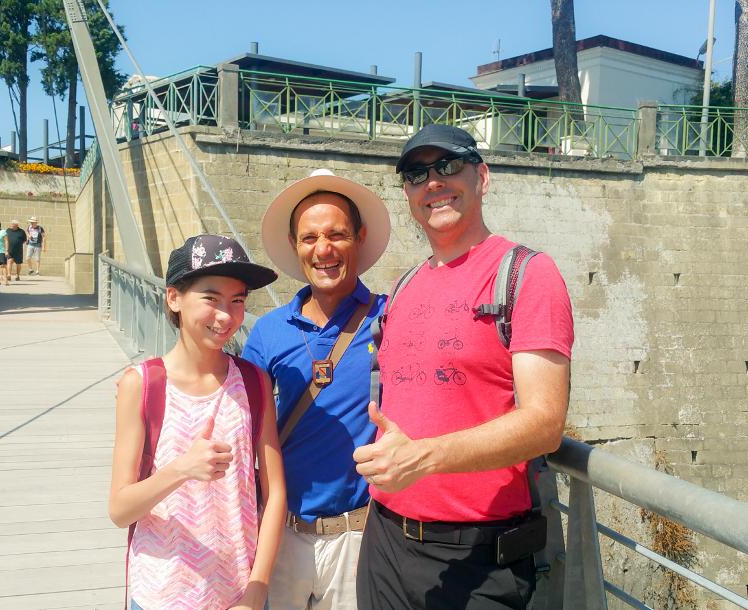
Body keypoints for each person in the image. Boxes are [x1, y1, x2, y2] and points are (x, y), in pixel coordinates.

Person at [353, 125, 574, 610]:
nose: (432, 182)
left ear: (483, 177)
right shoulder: (405, 285)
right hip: (386, 538)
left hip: (478, 553)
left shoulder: (526, 275)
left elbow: (545, 425)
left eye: (448, 166)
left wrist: (422, 458)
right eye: (416, 174)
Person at [109, 234, 286, 610]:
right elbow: (120, 509)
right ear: (173, 297)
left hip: (239, 595)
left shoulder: (254, 382)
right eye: (211, 298)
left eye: (238, 301)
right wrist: (182, 470)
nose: (227, 316)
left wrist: (257, 590)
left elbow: (275, 496)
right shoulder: (141, 385)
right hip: (162, 595)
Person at [243, 169, 391, 610]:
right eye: (309, 238)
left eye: (336, 235)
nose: (322, 249)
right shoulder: (268, 332)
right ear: (295, 246)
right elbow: (238, 418)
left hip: (359, 535)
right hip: (282, 534)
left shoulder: (390, 318)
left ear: (359, 239)